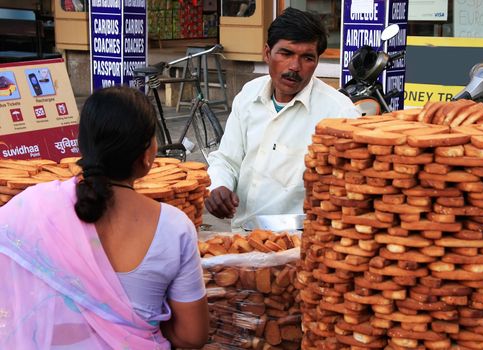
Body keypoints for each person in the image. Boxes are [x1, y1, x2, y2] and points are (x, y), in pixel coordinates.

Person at [0, 86, 209, 349]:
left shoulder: (33, 207)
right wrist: (144, 321)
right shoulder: (175, 227)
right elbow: (193, 336)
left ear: (82, 146)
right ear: (147, 155)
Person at [205, 7, 360, 230]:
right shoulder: (249, 95)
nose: (294, 67)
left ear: (316, 62)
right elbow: (228, 160)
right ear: (267, 53)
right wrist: (219, 186)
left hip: (303, 240)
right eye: (286, 54)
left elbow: (350, 188)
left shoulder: (339, 114)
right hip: (242, 235)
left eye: (307, 57)